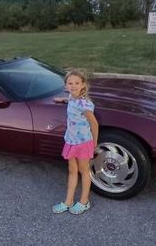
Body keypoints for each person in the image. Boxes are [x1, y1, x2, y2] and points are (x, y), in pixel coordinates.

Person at [52, 70, 99, 215]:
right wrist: (63, 100)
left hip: (84, 142)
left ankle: (84, 201)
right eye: (70, 83)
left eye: (77, 83)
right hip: (71, 140)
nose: (73, 86)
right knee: (72, 170)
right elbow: (72, 101)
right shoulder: (72, 98)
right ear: (66, 85)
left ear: (83, 85)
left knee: (84, 171)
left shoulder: (84, 104)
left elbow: (94, 124)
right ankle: (68, 201)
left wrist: (94, 143)